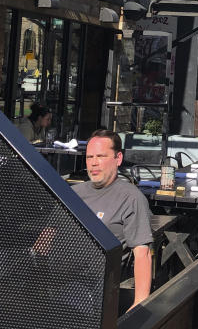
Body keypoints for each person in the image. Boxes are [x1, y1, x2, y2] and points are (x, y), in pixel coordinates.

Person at [72, 130, 153, 310]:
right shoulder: (74, 194)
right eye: (89, 156)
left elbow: (143, 254)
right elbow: (49, 235)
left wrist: (140, 303)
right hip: (55, 278)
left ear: (118, 158)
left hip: (93, 287)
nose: (93, 162)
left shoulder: (130, 198)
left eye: (101, 156)